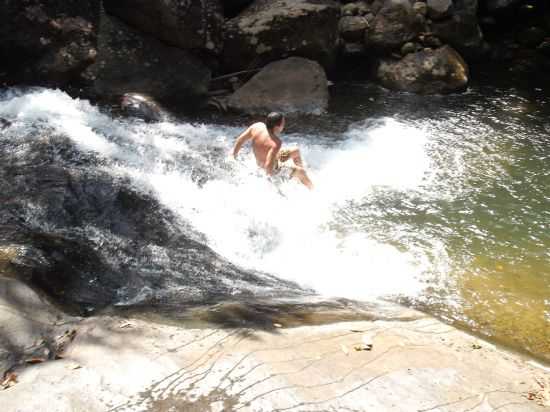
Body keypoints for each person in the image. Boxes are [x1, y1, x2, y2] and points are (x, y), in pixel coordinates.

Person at [231, 112, 314, 190]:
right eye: (283, 123)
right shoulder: (275, 142)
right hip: (272, 168)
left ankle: (299, 180)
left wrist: (233, 155)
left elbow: (240, 140)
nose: (284, 125)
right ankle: (314, 191)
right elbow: (268, 164)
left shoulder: (257, 126)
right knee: (300, 171)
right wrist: (271, 184)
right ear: (277, 127)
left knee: (296, 151)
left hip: (267, 160)